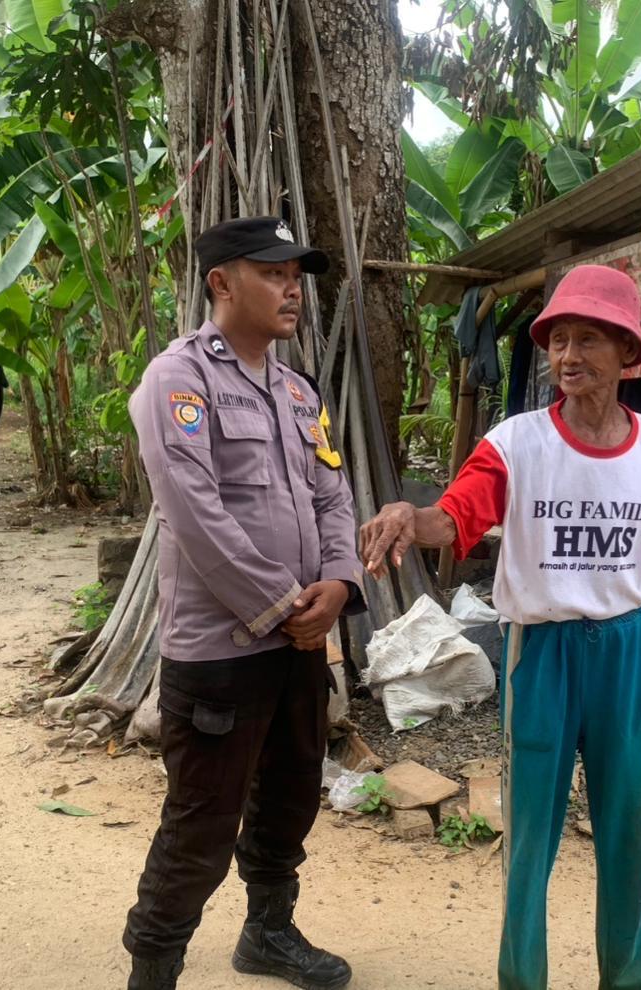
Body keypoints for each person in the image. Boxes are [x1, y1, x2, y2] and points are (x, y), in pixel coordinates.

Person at [359, 265, 641, 990]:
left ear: (628, 353)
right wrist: (410, 515)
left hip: (626, 650)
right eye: (558, 339)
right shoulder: (516, 443)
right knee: (530, 837)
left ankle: (631, 978)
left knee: (627, 833)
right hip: (542, 654)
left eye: (588, 339)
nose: (567, 355)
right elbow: (455, 515)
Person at [122, 216, 365, 990]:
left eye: (296, 277)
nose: (292, 290)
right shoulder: (178, 379)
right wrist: (287, 605)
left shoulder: (297, 391)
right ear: (221, 282)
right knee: (201, 823)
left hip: (297, 647)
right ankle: (153, 968)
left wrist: (340, 584)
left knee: (289, 800)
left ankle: (268, 934)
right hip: (222, 653)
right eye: (273, 274)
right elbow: (193, 513)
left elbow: (333, 496)